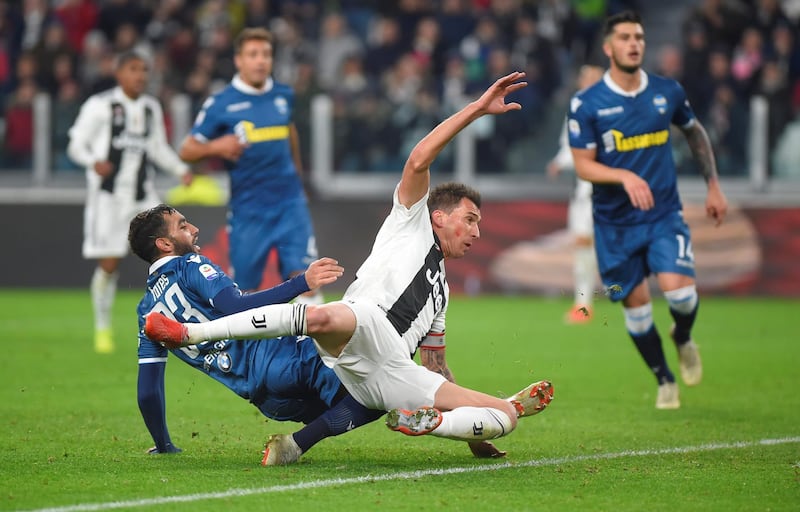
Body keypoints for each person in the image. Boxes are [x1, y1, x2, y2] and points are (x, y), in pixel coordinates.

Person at [145, 71, 554, 452]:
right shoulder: (410, 221)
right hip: (363, 326)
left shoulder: (442, 292)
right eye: (470, 220)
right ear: (439, 216)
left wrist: (470, 427)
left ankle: (426, 423)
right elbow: (417, 160)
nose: (477, 232)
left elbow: (435, 365)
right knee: (324, 317)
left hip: (390, 371)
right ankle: (190, 335)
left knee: (505, 414)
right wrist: (476, 109)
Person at [129, 204, 384, 465]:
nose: (194, 230)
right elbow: (235, 307)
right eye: (183, 226)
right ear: (164, 244)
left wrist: (163, 445)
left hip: (267, 398)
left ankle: (297, 443)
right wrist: (301, 283)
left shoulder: (147, 313)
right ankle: (295, 445)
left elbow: (148, 390)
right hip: (285, 356)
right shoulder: (189, 266)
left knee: (365, 401)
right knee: (378, 388)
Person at [567, 11, 729, 409]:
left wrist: (713, 185)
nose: (634, 42)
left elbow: (694, 132)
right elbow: (583, 165)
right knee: (634, 310)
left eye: (638, 36)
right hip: (613, 228)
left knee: (683, 296)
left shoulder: (667, 92)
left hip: (662, 217)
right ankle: (664, 379)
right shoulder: (586, 103)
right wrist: (624, 177)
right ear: (608, 47)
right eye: (624, 37)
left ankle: (684, 337)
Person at [178, 27, 321, 302]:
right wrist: (218, 146)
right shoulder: (221, 103)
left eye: (266, 54)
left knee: (308, 281)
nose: (260, 61)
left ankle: (310, 346)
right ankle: (248, 345)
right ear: (238, 60)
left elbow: (290, 132)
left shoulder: (283, 95)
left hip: (290, 204)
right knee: (245, 292)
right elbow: (187, 150)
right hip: (249, 210)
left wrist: (298, 178)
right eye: (253, 54)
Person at [67, 50, 193, 354]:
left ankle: (177, 323)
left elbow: (158, 148)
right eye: (134, 69)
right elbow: (75, 143)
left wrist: (181, 170)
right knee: (110, 265)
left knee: (172, 252)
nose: (140, 76)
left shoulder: (150, 107)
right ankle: (102, 327)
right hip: (109, 199)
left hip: (143, 198)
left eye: (144, 70)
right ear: (119, 72)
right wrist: (92, 161)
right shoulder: (100, 106)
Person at [546, 64, 604, 324]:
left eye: (595, 78)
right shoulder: (576, 110)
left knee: (609, 247)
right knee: (582, 245)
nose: (589, 82)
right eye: (586, 78)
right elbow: (569, 147)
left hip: (606, 188)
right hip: (584, 190)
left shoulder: (610, 110)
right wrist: (559, 162)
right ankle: (583, 304)